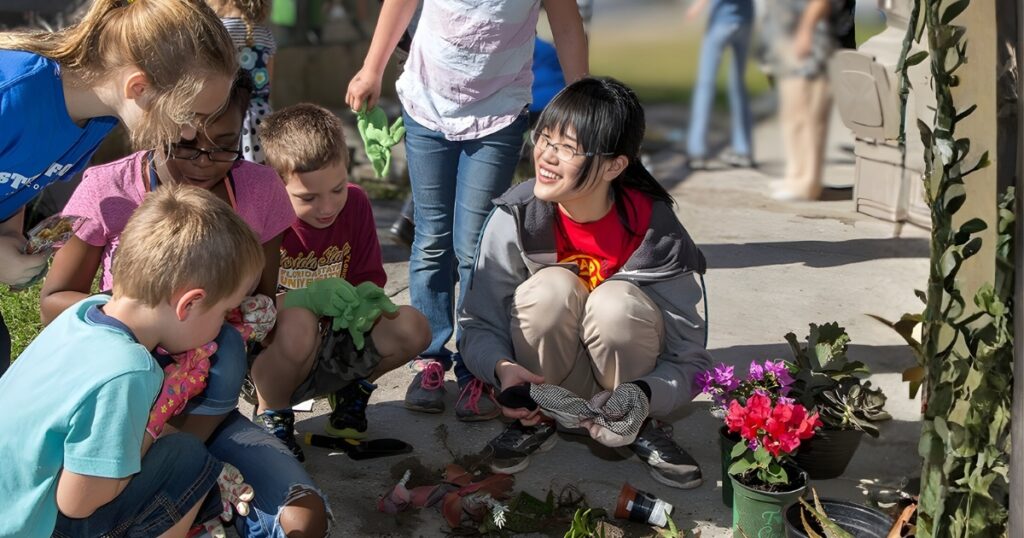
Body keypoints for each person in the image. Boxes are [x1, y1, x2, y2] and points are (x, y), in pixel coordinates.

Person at [40, 73, 331, 538]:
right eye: (185, 143)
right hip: (120, 412)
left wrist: (238, 325)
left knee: (303, 519)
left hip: (204, 409)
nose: (204, 161)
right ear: (154, 124)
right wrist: (145, 320)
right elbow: (54, 301)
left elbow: (260, 304)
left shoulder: (258, 190)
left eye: (224, 144)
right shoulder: (107, 188)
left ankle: (196, 486)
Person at [460, 77, 712, 489]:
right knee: (550, 290)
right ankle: (538, 420)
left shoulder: (657, 231)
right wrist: (503, 370)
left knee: (614, 304)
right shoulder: (517, 216)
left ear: (614, 165)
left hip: (628, 381)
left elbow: (692, 360)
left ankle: (637, 424)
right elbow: (477, 325)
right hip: (551, 383)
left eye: (568, 148)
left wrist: (647, 395)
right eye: (545, 137)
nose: (546, 156)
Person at [346, 0, 589, 422]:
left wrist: (581, 100)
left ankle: (479, 364)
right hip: (428, 103)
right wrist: (372, 68)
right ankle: (430, 357)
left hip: (498, 110)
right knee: (431, 237)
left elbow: (567, 26)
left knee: (475, 247)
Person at [0, 185, 263, 537]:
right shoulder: (128, 370)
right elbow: (78, 502)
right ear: (189, 304)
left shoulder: (80, 315)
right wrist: (152, 429)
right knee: (189, 462)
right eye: (224, 311)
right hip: (33, 527)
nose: (223, 323)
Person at [0, 0, 238, 374]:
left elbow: (18, 178)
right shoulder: (11, 94)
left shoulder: (94, 121)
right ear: (139, 88)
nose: (192, 133)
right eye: (189, 115)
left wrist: (8, 235)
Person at [252, 102, 430, 459]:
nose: (327, 207)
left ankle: (350, 389)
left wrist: (366, 297)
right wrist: (305, 299)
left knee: (412, 325)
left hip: (331, 343)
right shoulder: (262, 219)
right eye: (308, 197)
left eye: (337, 189)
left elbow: (368, 277)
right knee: (299, 322)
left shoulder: (358, 204)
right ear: (276, 184)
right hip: (268, 355)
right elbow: (251, 308)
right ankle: (272, 413)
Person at [761, 0, 834, 201]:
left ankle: (808, 183)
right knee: (791, 113)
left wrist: (805, 30)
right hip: (788, 36)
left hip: (810, 38)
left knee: (810, 115)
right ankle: (794, 175)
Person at [685, 0, 755, 170]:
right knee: (738, 85)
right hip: (745, 18)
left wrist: (698, 5)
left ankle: (697, 151)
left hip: (721, 20)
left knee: (705, 85)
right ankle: (743, 149)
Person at [206, 0, 276, 163]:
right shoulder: (266, 34)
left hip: (227, 111)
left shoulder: (220, 31)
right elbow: (269, 79)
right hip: (262, 111)